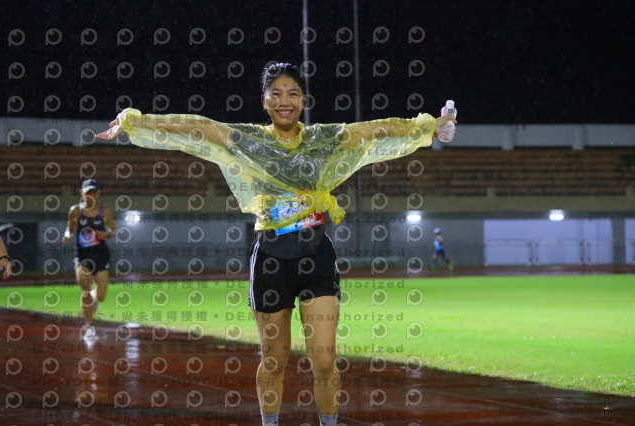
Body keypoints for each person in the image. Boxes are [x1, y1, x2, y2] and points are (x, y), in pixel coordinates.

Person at [96, 62, 456, 426]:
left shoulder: (322, 139)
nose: (285, 101)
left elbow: (373, 130)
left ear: (303, 101)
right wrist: (136, 122)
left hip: (316, 257)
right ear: (264, 101)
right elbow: (199, 128)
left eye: (293, 93)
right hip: (270, 259)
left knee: (325, 359)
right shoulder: (250, 141)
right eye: (276, 94)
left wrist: (428, 126)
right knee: (273, 359)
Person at [62, 179, 115, 325]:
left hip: (101, 255)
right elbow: (69, 229)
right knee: (85, 290)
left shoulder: (105, 210)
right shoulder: (75, 211)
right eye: (88, 193)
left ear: (99, 193)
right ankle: (89, 326)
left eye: (94, 193)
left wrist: (104, 235)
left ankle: (94, 297)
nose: (91, 196)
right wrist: (67, 236)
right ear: (82, 193)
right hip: (83, 255)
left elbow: (112, 232)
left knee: (101, 296)